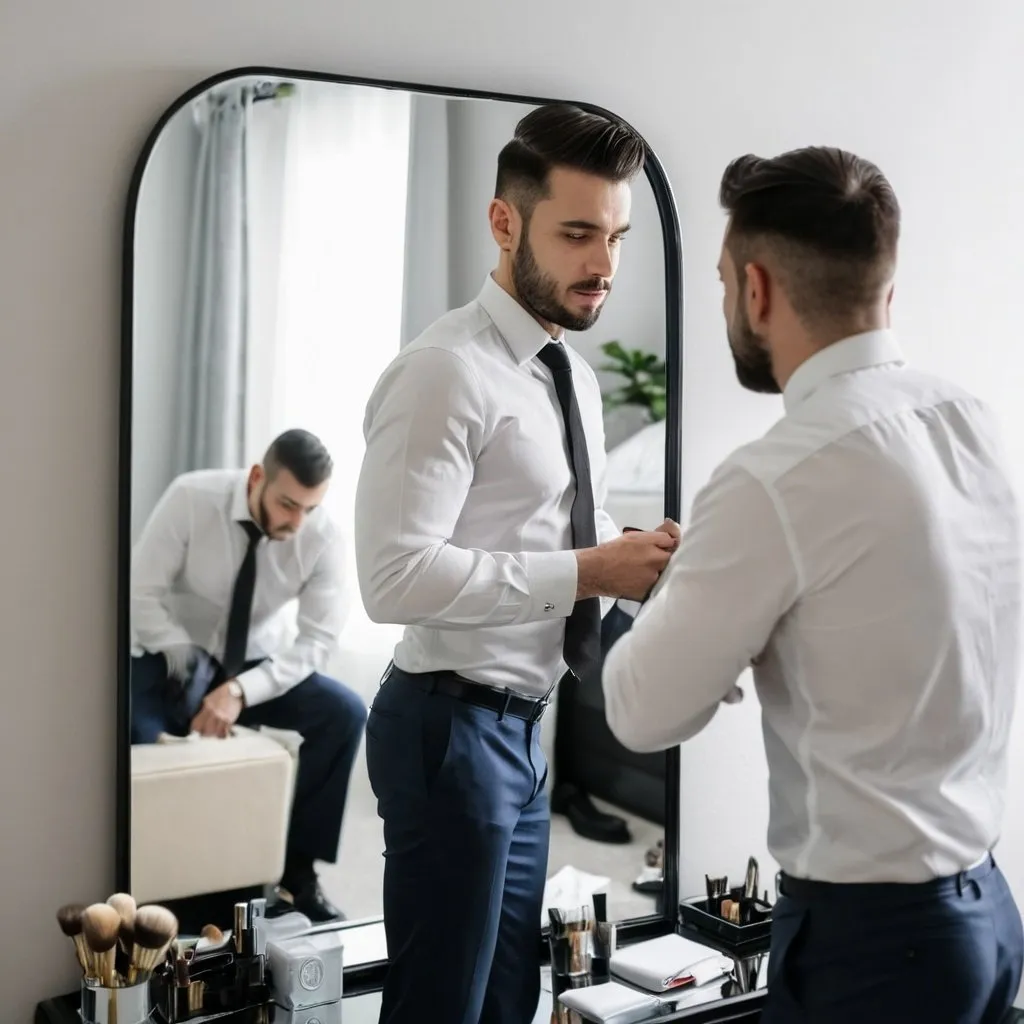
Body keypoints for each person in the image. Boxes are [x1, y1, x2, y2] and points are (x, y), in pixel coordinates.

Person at [602, 145, 1023, 1023]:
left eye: (722, 282)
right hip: (989, 917)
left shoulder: (774, 479)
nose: (726, 304)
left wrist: (678, 598)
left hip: (870, 947)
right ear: (886, 288)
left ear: (757, 289)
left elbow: (641, 711)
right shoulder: (972, 422)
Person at [354, 103, 680, 1024]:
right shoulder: (442, 373)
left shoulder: (566, 370)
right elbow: (393, 578)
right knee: (440, 1006)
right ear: (505, 224)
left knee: (508, 1000)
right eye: (578, 233)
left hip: (523, 733)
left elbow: (562, 519)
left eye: (615, 236)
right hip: (448, 729)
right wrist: (588, 571)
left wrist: (646, 568)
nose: (604, 264)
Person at [130, 428, 367, 923]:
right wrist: (191, 669)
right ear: (257, 477)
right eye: (287, 504)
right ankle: (154, 880)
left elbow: (316, 641)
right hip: (172, 651)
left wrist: (238, 690)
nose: (296, 522)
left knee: (344, 713)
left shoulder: (322, 537)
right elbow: (141, 593)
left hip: (255, 663)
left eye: (309, 508)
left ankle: (297, 874)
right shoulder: (191, 497)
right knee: (139, 734)